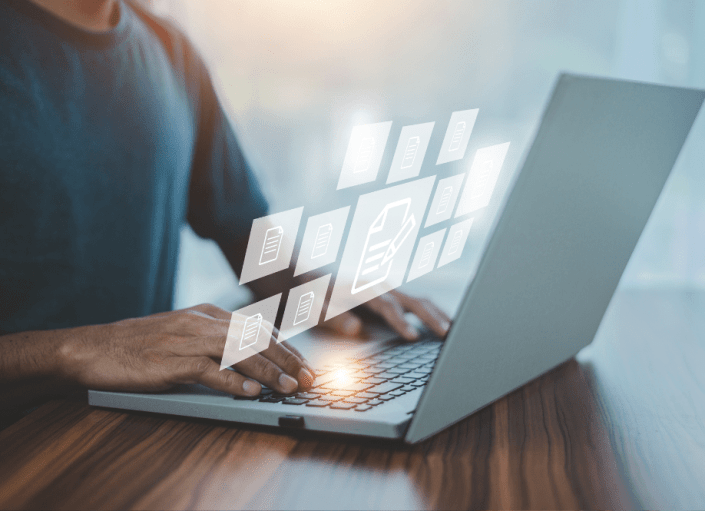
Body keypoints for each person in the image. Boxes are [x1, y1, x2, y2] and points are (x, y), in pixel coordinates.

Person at [0, 0, 450, 410]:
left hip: (137, 431)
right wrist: (79, 349)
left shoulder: (169, 50)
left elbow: (243, 235)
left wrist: (313, 290)